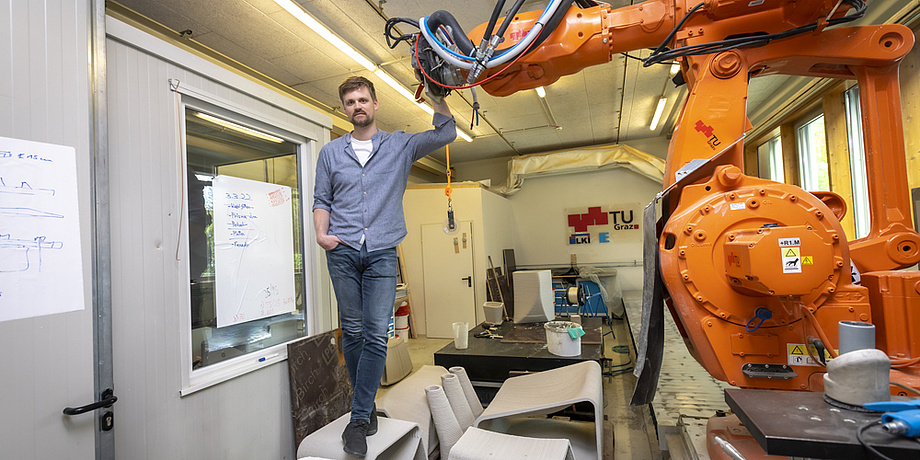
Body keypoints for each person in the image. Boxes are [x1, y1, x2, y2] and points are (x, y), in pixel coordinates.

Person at [313, 75, 455, 457]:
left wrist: (439, 97)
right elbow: (320, 199)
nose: (357, 106)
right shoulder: (330, 153)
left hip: (380, 252)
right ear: (344, 109)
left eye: (363, 99)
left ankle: (359, 418)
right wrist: (322, 235)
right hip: (341, 251)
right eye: (350, 102)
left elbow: (447, 132)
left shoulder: (399, 145)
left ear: (375, 104)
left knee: (376, 334)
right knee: (354, 333)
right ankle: (367, 407)